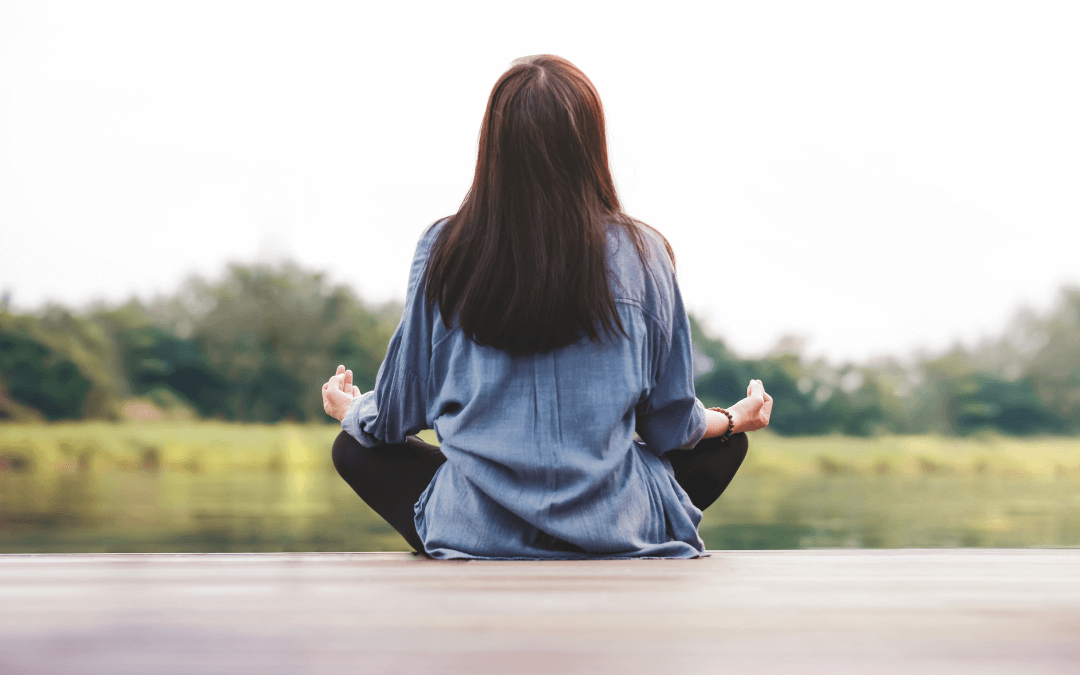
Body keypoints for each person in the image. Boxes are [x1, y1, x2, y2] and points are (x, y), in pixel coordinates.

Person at [322, 55, 773, 559]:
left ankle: (481, 534)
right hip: (617, 523)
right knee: (724, 446)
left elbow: (394, 416)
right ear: (591, 145)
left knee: (353, 447)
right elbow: (672, 426)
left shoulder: (443, 247)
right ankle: (613, 533)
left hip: (474, 526)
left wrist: (353, 411)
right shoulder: (644, 253)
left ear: (492, 145)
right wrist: (732, 421)